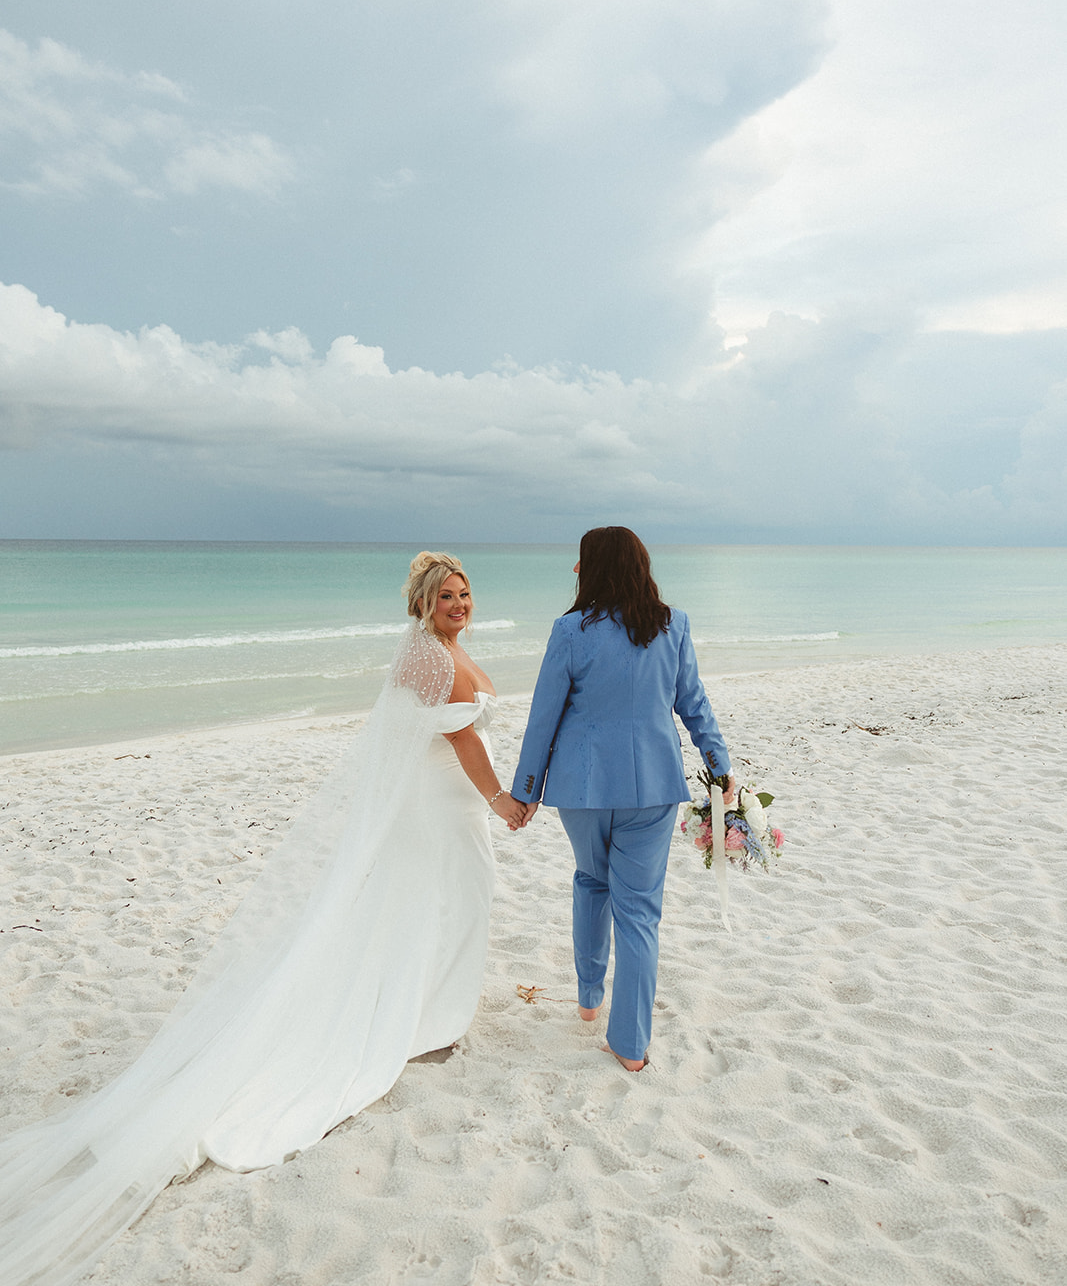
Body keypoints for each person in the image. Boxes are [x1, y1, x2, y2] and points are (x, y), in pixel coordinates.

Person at [0, 552, 526, 1286]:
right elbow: (462, 739)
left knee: (441, 908)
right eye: (446, 595)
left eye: (465, 593)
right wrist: (501, 800)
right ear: (421, 603)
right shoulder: (427, 659)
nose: (460, 603)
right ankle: (430, 1017)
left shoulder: (439, 652)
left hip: (436, 806)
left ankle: (429, 1009)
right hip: (444, 810)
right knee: (457, 903)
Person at [510, 526, 735, 1071]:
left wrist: (526, 791)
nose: (574, 570)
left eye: (580, 560)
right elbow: (693, 703)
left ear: (595, 568)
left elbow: (544, 714)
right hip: (653, 786)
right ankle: (631, 1047)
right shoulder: (673, 625)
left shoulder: (569, 631)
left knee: (591, 881)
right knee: (639, 911)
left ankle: (589, 999)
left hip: (583, 789)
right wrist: (719, 764)